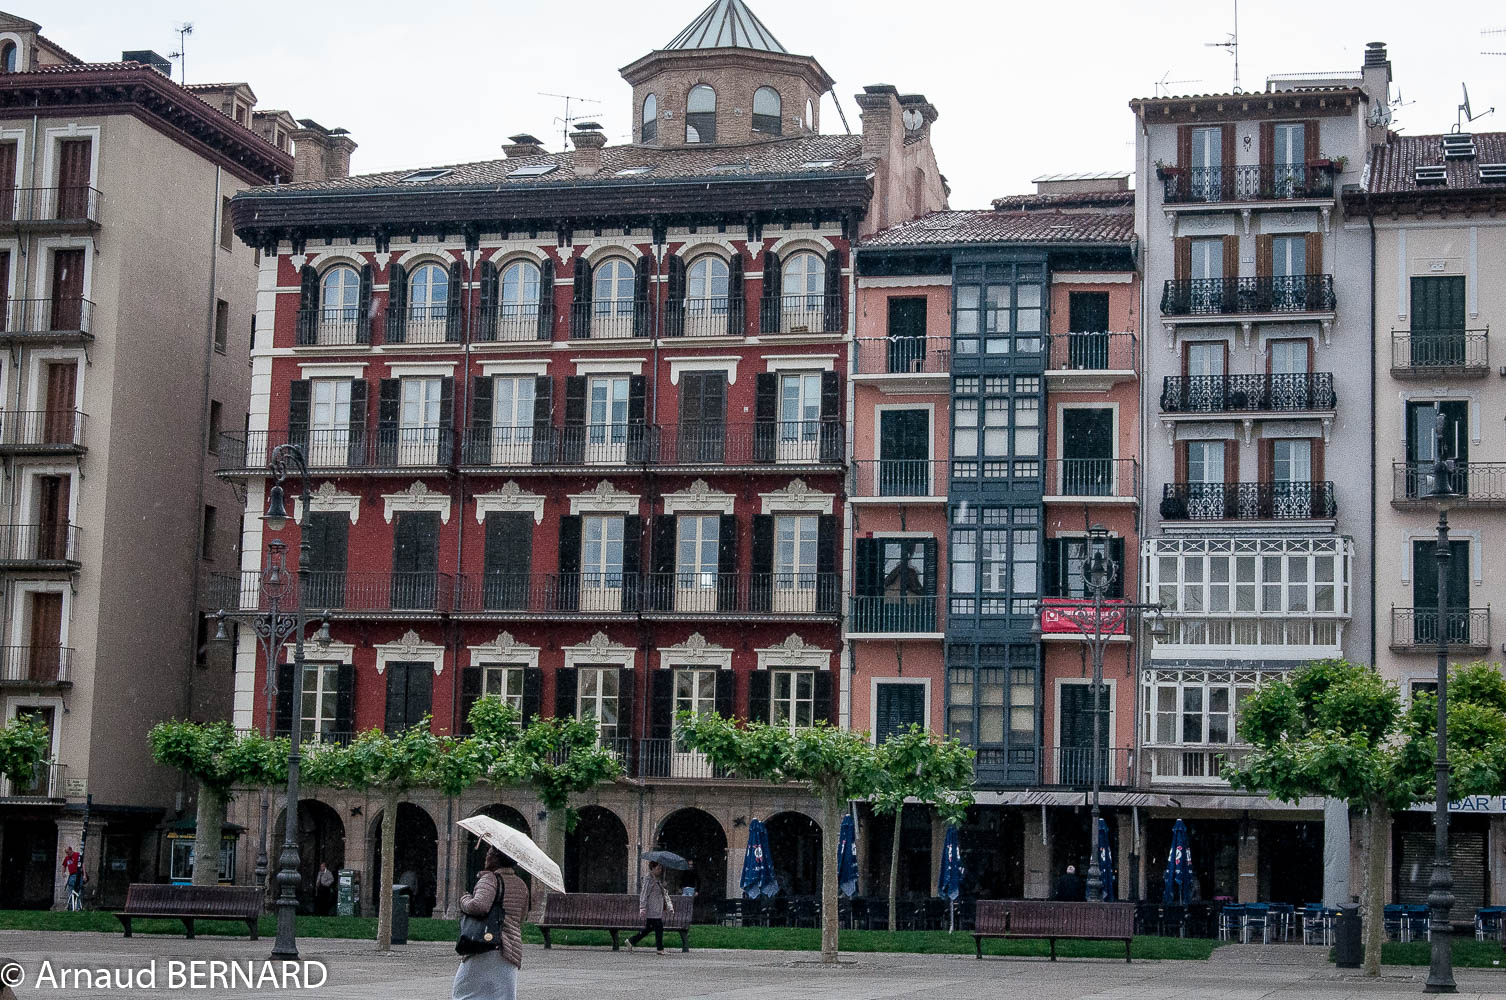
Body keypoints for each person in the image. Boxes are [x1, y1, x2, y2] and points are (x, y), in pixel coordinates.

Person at [452, 846, 532, 1000]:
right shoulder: (521, 885)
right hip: (511, 949)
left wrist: (464, 899)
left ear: (495, 858)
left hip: (485, 944)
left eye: (489, 854)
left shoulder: (489, 879)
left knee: (465, 993)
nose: (486, 857)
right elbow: (521, 917)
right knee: (503, 996)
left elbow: (479, 906)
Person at [628, 860, 672, 954]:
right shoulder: (649, 879)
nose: (660, 870)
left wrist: (663, 886)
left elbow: (662, 893)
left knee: (649, 928)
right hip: (652, 908)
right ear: (652, 868)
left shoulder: (656, 879)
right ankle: (660, 949)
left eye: (660, 868)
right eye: (658, 868)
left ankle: (631, 941)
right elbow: (644, 894)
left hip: (656, 908)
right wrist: (642, 907)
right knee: (658, 927)